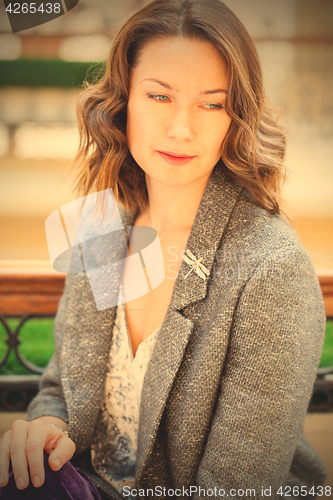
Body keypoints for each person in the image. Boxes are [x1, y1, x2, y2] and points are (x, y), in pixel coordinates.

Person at [0, 0, 328, 499]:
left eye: (211, 103)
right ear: (123, 100)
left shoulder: (270, 267)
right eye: (159, 96)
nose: (181, 128)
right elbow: (59, 391)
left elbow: (233, 489)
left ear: (235, 118)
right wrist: (47, 430)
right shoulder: (102, 225)